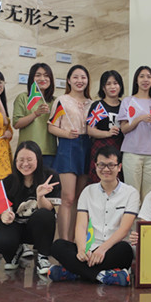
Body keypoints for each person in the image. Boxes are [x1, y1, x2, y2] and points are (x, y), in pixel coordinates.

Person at [49, 146, 139, 285]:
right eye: (101, 165)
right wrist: (82, 249)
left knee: (125, 250)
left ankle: (75, 272)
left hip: (113, 249)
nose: (106, 169)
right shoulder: (87, 191)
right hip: (90, 247)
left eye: (111, 165)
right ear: (96, 166)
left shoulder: (131, 193)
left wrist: (102, 250)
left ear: (119, 167)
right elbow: (81, 225)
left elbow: (124, 230)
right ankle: (102, 276)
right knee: (58, 246)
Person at [0, 141, 61, 276]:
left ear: (38, 159)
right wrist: (6, 215)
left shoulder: (50, 177)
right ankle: (15, 252)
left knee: (44, 215)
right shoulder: (8, 181)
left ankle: (42, 256)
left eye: (29, 159)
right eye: (21, 160)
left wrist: (40, 196)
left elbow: (48, 210)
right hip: (17, 226)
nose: (25, 164)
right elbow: (4, 209)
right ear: (15, 161)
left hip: (38, 228)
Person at [48, 64, 93, 241]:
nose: (79, 81)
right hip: (68, 147)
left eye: (83, 77)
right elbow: (51, 127)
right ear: (68, 80)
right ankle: (63, 240)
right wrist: (66, 134)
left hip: (87, 147)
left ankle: (75, 240)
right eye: (75, 77)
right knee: (67, 198)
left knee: (80, 200)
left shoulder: (92, 103)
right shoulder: (62, 100)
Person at [118, 66, 151, 200]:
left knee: (149, 196)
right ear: (136, 80)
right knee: (132, 195)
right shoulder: (128, 101)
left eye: (149, 77)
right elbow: (124, 129)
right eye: (142, 76)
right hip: (132, 153)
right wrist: (139, 119)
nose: (145, 80)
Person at [12, 63, 57, 169]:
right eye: (38, 75)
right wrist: (36, 114)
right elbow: (16, 123)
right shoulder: (23, 97)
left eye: (46, 75)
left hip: (49, 152)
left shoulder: (55, 101)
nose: (42, 79)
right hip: (27, 151)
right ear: (32, 78)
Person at [87, 70, 125, 184]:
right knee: (98, 181)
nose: (112, 87)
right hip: (100, 148)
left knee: (118, 181)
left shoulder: (125, 106)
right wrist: (107, 133)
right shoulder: (98, 106)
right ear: (103, 88)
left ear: (120, 86)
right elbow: (90, 130)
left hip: (120, 147)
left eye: (115, 83)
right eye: (108, 84)